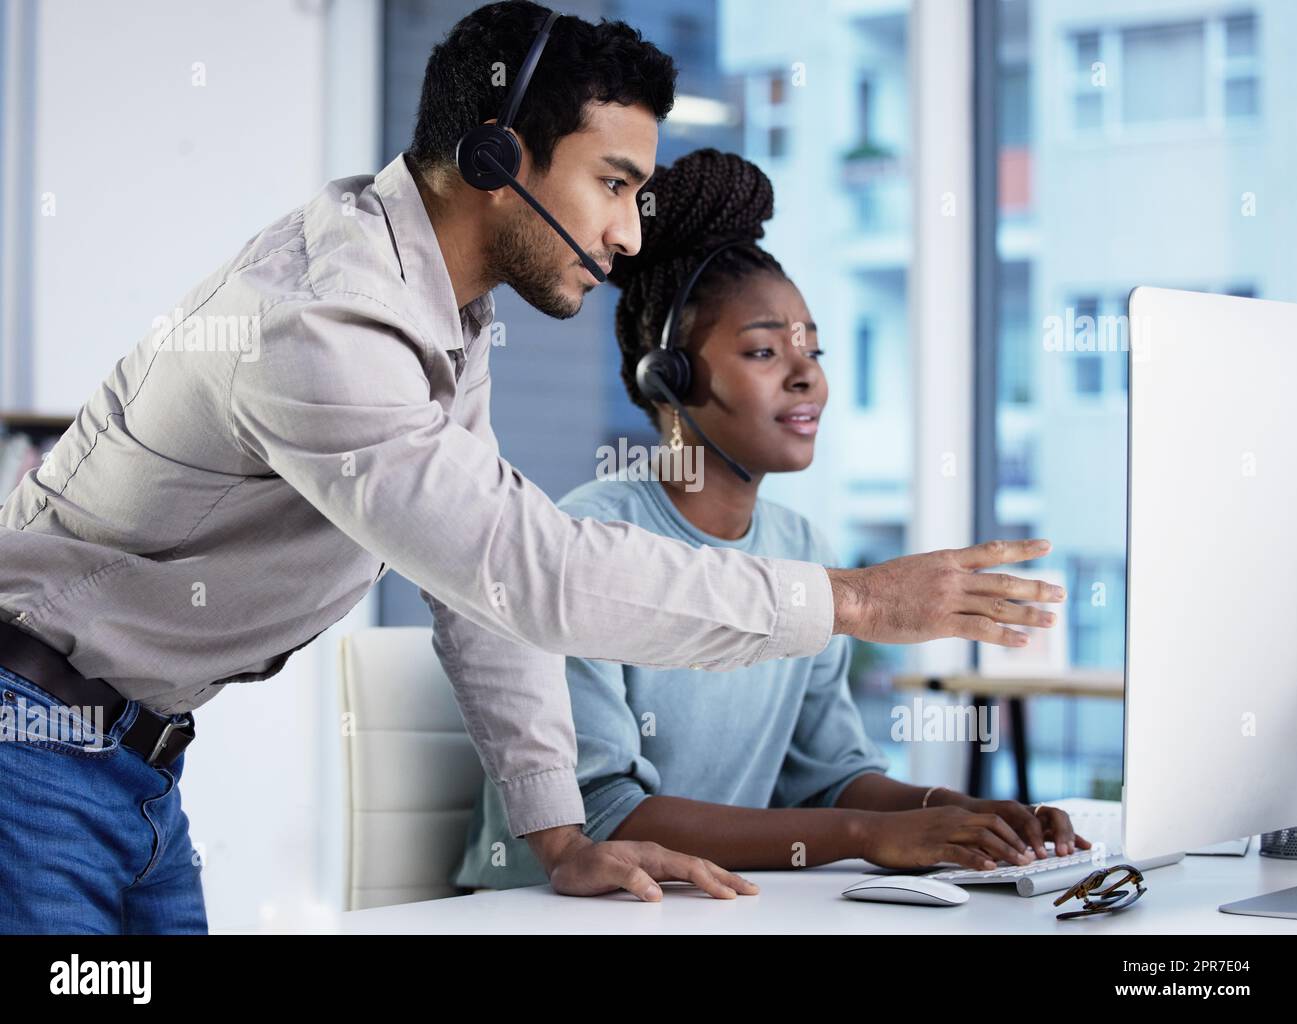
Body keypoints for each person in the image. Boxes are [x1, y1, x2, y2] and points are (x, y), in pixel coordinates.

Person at [0, 2, 1063, 933]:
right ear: (499, 160)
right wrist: (857, 601)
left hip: (126, 768)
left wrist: (561, 839)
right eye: (612, 183)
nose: (624, 234)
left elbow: (480, 591)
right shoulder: (327, 321)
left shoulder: (439, 321)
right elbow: (533, 571)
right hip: (34, 752)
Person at [453, 149, 1086, 890]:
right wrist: (868, 835)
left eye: (811, 349)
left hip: (695, 907)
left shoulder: (799, 549)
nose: (806, 373)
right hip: (547, 913)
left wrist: (960, 812)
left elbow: (829, 778)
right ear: (669, 376)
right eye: (762, 350)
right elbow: (603, 815)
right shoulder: (588, 543)